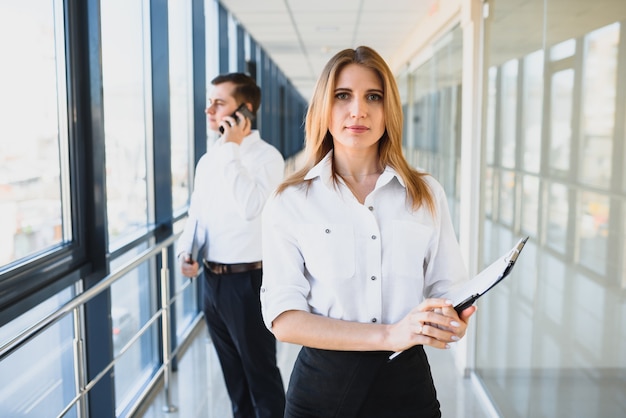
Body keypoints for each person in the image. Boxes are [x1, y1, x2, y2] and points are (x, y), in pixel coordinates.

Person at [260, 46, 477, 418]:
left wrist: (451, 320)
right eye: (342, 96)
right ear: (323, 108)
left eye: (373, 97)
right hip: (322, 391)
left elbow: (449, 289)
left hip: (407, 387)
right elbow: (283, 318)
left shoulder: (425, 193)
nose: (358, 110)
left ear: (388, 108)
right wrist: (389, 335)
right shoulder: (291, 200)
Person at [178, 72, 286, 418]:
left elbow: (251, 208)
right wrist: (186, 251)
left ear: (245, 110)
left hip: (249, 283)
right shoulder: (209, 160)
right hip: (213, 282)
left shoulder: (267, 158)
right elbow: (197, 214)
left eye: (219, 102)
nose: (209, 109)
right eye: (209, 101)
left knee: (262, 380)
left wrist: (231, 151)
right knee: (235, 382)